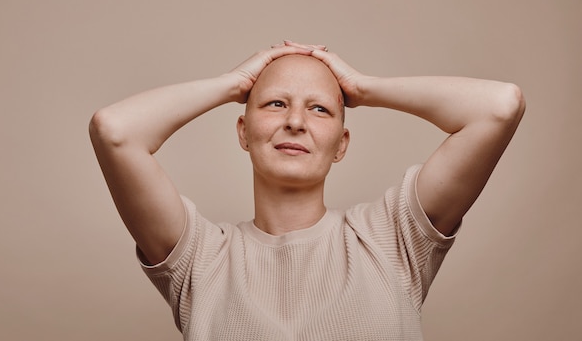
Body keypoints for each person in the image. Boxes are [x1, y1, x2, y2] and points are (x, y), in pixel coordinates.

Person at [89, 40, 525, 340]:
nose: (295, 121)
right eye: (276, 103)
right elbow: (114, 131)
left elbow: (499, 107)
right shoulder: (200, 260)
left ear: (342, 143)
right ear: (244, 131)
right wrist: (236, 83)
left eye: (319, 109)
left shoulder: (393, 238)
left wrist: (362, 88)